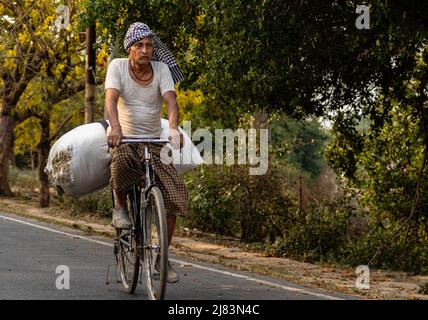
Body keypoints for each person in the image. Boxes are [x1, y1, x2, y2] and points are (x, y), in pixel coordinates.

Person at [104, 22, 188, 283]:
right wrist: (115, 128)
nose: (145, 50)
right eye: (139, 45)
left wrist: (173, 129)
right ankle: (120, 206)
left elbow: (171, 101)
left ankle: (162, 257)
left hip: (154, 140)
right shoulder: (117, 66)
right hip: (126, 138)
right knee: (119, 163)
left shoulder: (161, 69)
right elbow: (110, 99)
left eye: (149, 45)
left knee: (174, 195)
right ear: (130, 48)